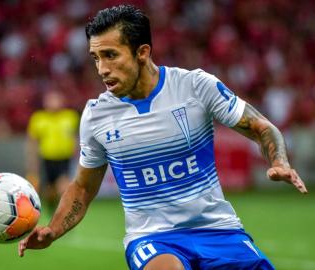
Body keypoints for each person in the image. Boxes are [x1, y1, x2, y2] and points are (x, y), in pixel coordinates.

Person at [18, 5, 308, 270]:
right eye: (95, 57)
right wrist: (52, 230)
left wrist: (279, 160)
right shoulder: (96, 115)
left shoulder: (195, 86)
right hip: (152, 239)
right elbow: (82, 187)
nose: (102, 69)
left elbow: (261, 127)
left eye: (110, 55)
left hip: (220, 230)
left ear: (142, 52)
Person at [26, 90, 79, 212]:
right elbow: (32, 141)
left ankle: (65, 214)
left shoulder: (70, 116)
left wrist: (77, 151)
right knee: (50, 191)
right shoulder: (38, 118)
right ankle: (52, 207)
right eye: (51, 100)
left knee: (63, 186)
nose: (54, 103)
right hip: (47, 158)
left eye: (56, 100)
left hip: (64, 158)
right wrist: (32, 162)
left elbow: (75, 136)